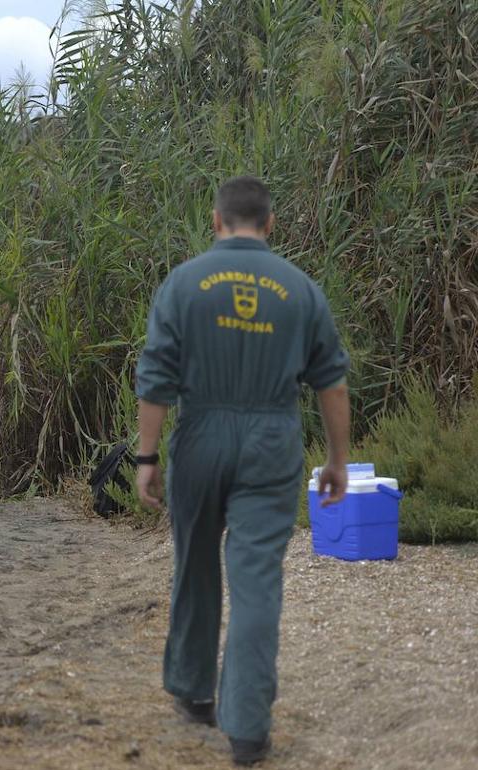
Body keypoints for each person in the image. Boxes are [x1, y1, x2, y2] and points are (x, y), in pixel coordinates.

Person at [134, 176, 351, 766]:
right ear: (271, 224)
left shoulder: (184, 284)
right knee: (256, 581)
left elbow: (155, 377)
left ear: (216, 221)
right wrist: (336, 461)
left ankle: (192, 689)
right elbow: (331, 381)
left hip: (200, 435)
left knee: (195, 563)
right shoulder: (300, 289)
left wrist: (147, 457)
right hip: (270, 440)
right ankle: (248, 730)